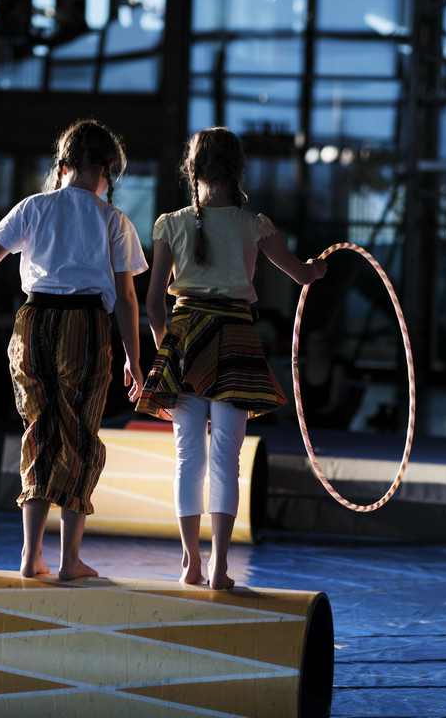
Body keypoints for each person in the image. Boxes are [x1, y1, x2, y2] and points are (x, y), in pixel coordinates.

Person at [0, 118, 148, 580]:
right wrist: (134, 357)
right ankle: (69, 560)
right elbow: (126, 298)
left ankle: (30, 556)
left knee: (40, 432)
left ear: (62, 165)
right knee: (79, 435)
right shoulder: (112, 219)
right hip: (84, 327)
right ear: (108, 169)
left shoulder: (35, 207)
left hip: (33, 324)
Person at [135, 127, 327, 590]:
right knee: (225, 458)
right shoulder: (253, 224)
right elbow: (302, 274)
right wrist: (320, 267)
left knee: (188, 457)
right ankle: (220, 567)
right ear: (238, 171)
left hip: (184, 337)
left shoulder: (170, 223)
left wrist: (167, 349)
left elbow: (153, 304)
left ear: (192, 170)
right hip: (235, 337)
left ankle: (191, 564)